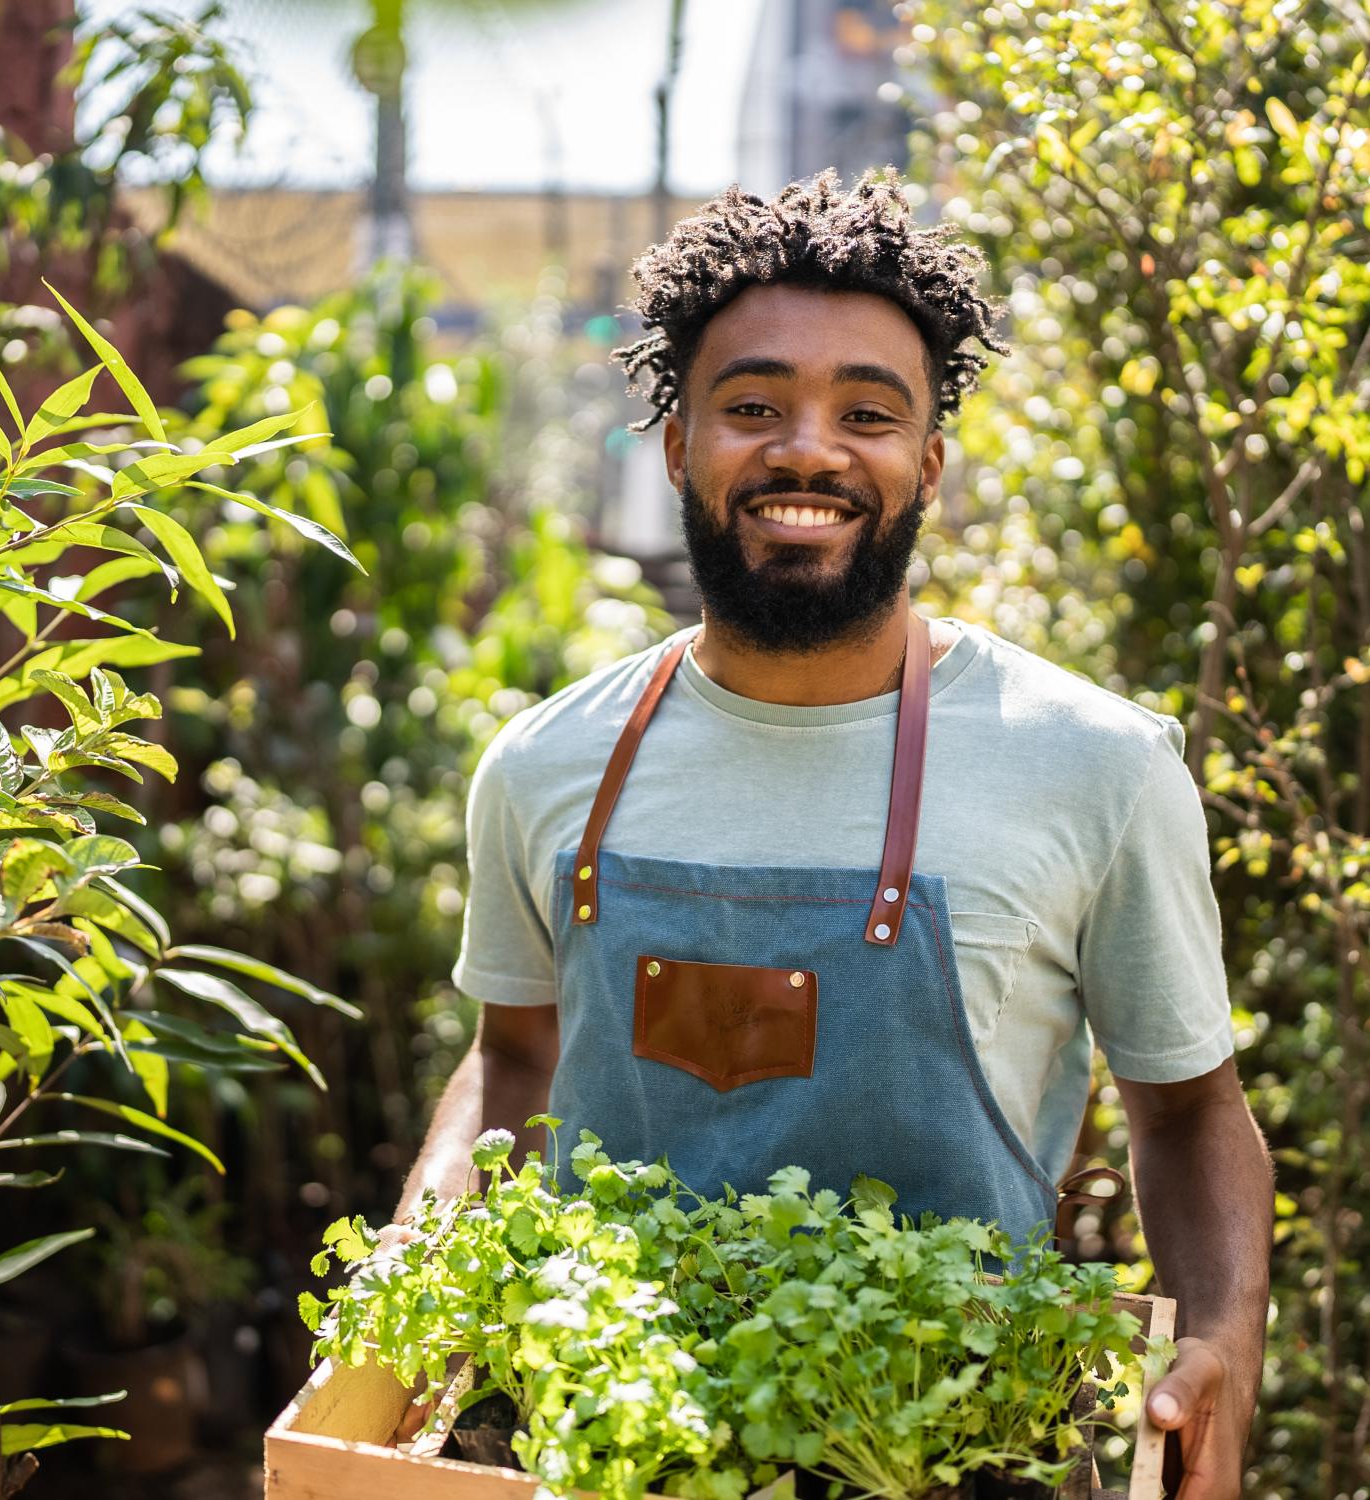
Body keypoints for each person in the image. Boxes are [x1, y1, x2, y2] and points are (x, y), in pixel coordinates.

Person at [383, 168, 1272, 1500]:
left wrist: (1224, 1348)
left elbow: (1190, 1110)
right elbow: (515, 1060)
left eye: (868, 411)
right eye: (753, 407)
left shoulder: (1094, 765)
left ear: (928, 463)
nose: (807, 449)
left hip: (960, 1449)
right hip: (599, 1442)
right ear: (677, 445)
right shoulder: (546, 764)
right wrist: (415, 1258)